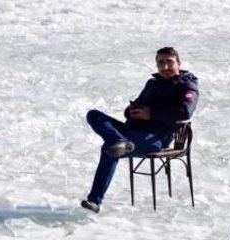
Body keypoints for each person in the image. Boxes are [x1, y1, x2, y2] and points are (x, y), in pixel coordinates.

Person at [80, 47, 199, 213]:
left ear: (179, 63)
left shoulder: (187, 86)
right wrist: (132, 111)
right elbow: (132, 108)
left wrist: (150, 114)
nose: (164, 67)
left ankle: (95, 201)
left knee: (110, 150)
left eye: (169, 62)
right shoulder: (153, 84)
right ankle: (119, 140)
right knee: (94, 115)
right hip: (132, 131)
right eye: (160, 63)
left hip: (156, 137)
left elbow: (185, 111)